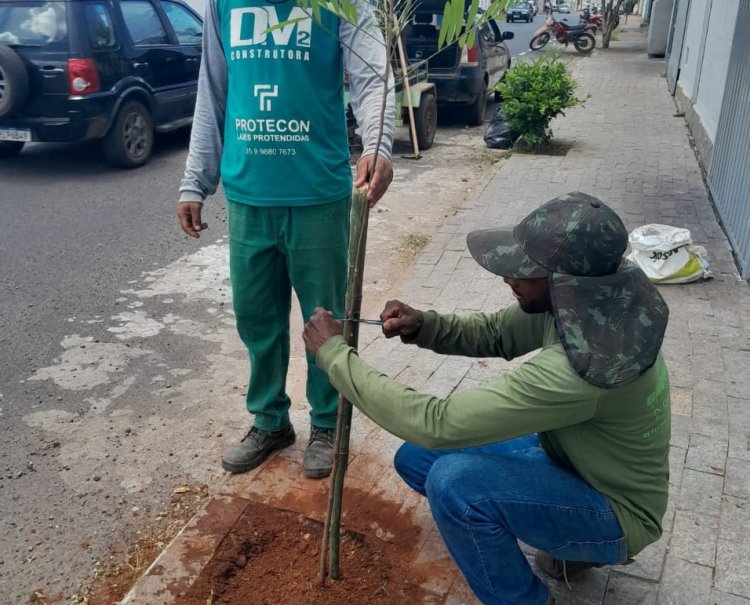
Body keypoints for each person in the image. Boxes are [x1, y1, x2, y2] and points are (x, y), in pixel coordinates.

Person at [303, 192, 671, 604]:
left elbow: (437, 422)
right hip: (576, 458)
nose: (508, 277)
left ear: (563, 281)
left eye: (524, 270)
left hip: (616, 512)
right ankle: (566, 543)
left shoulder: (577, 369)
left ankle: (536, 591)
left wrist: (334, 356)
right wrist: (425, 325)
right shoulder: (595, 299)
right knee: (417, 458)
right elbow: (498, 332)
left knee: (455, 483)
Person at [176, 0, 395, 479]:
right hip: (249, 194)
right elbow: (212, 91)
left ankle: (326, 422)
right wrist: (195, 180)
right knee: (257, 319)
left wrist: (379, 146)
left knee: (325, 318)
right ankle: (270, 421)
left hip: (317, 192)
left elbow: (372, 77)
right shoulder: (224, 4)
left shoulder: (343, 3)